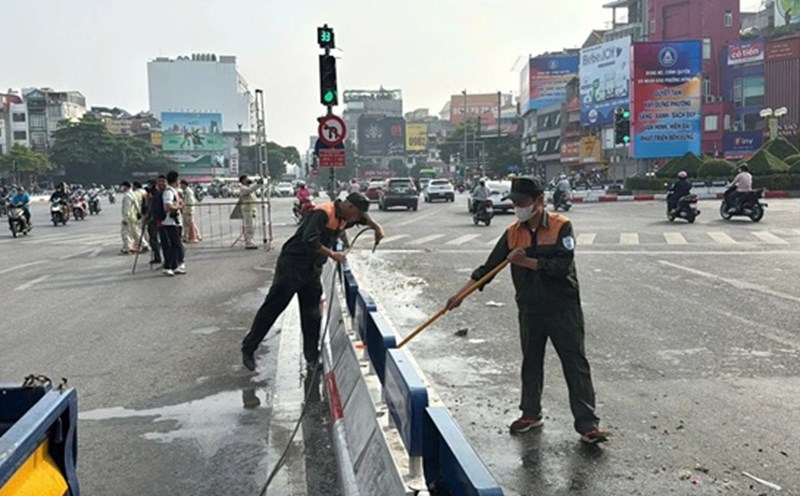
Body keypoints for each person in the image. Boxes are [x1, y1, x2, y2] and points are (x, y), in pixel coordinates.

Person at [445, 177, 607, 444]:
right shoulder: (512, 232)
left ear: (539, 201)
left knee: (575, 364)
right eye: (515, 202)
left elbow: (560, 266)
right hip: (530, 308)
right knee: (531, 363)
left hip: (562, 308)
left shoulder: (561, 227)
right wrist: (461, 294)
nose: (518, 207)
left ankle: (588, 424)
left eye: (523, 202)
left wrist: (525, 261)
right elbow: (488, 268)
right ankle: (530, 414)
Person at [241, 192, 386, 372]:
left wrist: (376, 227)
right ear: (349, 207)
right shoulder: (323, 212)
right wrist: (333, 255)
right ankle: (248, 349)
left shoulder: (345, 215)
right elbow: (309, 240)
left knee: (311, 315)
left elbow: (363, 218)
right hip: (292, 266)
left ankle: (311, 357)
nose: (356, 219)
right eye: (355, 214)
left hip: (312, 269)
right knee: (273, 308)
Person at [159, 171, 185, 276]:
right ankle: (167, 266)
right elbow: (167, 206)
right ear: (176, 180)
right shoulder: (169, 192)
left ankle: (174, 266)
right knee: (175, 245)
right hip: (170, 222)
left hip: (175, 222)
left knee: (176, 245)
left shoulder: (174, 191)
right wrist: (179, 207)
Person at [237, 175, 262, 249]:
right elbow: (250, 190)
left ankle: (251, 241)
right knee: (249, 226)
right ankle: (249, 242)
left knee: (253, 226)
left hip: (252, 209)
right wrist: (258, 183)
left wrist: (260, 183)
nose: (249, 180)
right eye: (247, 179)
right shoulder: (243, 188)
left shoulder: (248, 187)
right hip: (248, 210)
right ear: (243, 181)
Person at [119, 181, 142, 255]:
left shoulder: (127, 196)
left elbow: (127, 207)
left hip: (129, 217)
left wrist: (125, 218)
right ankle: (144, 245)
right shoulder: (134, 194)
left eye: (122, 186)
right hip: (134, 216)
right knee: (135, 232)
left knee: (125, 233)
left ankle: (127, 248)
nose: (121, 188)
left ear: (126, 186)